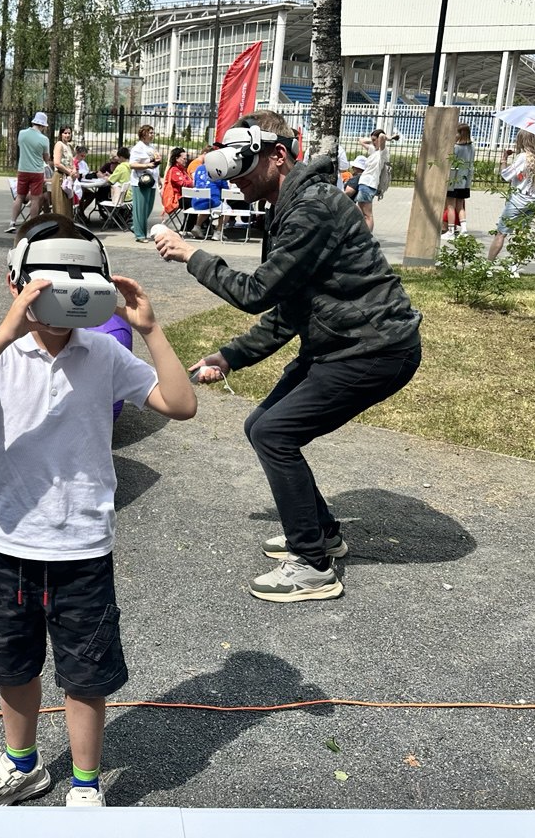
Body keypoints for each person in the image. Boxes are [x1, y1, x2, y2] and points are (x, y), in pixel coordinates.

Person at [0, 214, 196, 807]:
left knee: (86, 672)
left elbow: (180, 404)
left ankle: (85, 785)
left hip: (82, 547)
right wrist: (5, 330)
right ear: (15, 282)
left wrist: (151, 330)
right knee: (12, 664)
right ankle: (22, 764)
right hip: (8, 543)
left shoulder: (103, 354)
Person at [151, 109, 422, 603]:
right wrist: (231, 356)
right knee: (262, 425)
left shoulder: (311, 207)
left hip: (374, 348)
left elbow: (257, 293)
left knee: (275, 434)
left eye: (244, 168)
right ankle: (321, 533)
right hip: (340, 343)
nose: (236, 180)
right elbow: (290, 309)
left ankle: (314, 565)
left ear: (278, 156)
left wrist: (192, 254)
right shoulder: (292, 204)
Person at [487, 129, 535, 267]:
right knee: (522, 233)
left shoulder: (523, 157)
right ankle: (514, 266)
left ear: (522, 141)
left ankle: (488, 265)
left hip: (518, 199)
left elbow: (506, 175)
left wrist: (503, 159)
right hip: (534, 200)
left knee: (501, 233)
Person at [9, 112, 52, 234]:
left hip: (23, 169)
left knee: (20, 196)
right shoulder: (44, 139)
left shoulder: (22, 134)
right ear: (43, 126)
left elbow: (21, 146)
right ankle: (32, 225)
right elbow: (46, 158)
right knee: (35, 199)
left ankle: (12, 222)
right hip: (37, 171)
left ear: (33, 122)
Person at [354, 128, 397, 231]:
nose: (373, 143)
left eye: (374, 140)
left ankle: (367, 237)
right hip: (364, 184)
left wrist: (388, 138)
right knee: (360, 212)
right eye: (372, 140)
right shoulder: (374, 150)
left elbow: (382, 136)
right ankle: (362, 233)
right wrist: (373, 139)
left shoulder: (383, 152)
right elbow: (361, 140)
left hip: (369, 184)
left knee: (367, 214)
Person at [188, 143, 229, 239]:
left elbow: (196, 182)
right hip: (212, 202)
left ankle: (197, 226)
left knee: (206, 207)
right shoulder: (218, 169)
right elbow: (224, 187)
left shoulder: (199, 168)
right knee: (227, 210)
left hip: (196, 201)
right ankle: (218, 232)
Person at [129, 125, 161, 243]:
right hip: (141, 181)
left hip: (151, 180)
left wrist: (159, 179)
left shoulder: (151, 147)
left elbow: (155, 163)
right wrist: (147, 165)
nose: (152, 135)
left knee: (148, 207)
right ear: (144, 134)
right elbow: (132, 164)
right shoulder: (138, 148)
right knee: (140, 208)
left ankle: (135, 227)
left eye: (153, 133)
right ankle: (140, 234)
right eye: (150, 133)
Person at [443, 124, 474, 240]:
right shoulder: (472, 147)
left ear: (460, 133)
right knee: (460, 206)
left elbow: (449, 162)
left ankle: (451, 230)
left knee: (450, 206)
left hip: (453, 180)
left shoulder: (455, 148)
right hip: (465, 180)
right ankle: (464, 229)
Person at [161, 146, 192, 223]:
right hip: (175, 199)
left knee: (201, 201)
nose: (186, 161)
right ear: (177, 159)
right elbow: (183, 183)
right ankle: (188, 228)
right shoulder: (174, 170)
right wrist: (195, 183)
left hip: (183, 196)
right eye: (184, 159)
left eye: (186, 159)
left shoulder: (182, 170)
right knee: (194, 202)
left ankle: (196, 226)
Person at [52, 125, 76, 219]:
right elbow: (57, 163)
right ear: (61, 134)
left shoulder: (69, 146)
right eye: (65, 133)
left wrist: (74, 170)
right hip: (60, 177)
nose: (67, 135)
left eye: (69, 133)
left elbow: (72, 161)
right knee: (60, 206)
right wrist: (68, 171)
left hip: (68, 178)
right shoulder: (59, 144)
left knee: (67, 206)